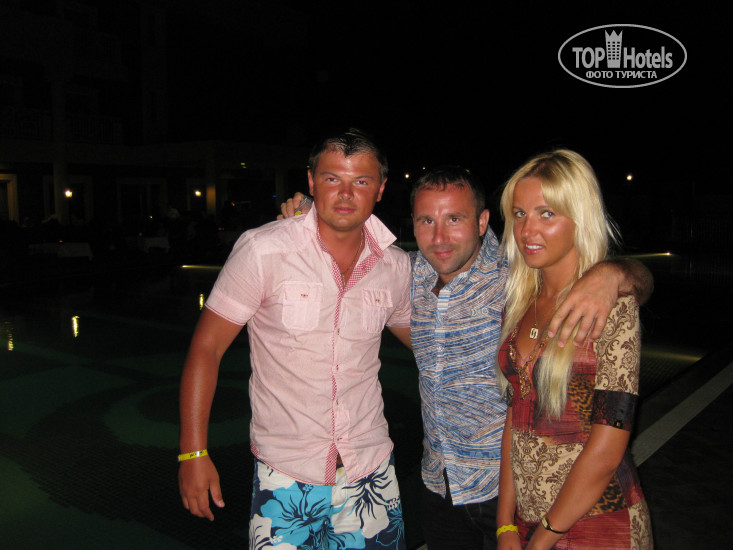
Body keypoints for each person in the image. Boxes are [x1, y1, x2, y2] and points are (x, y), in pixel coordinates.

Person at [284, 164, 651, 549]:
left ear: (482, 221)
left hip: (504, 489)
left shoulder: (516, 275)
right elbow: (353, 247)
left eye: (454, 219)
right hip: (439, 484)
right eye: (427, 221)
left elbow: (630, 283)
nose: (439, 237)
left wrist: (615, 272)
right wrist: (311, 211)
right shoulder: (409, 274)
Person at [178, 128, 412, 550]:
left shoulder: (394, 266)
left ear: (380, 189)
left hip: (371, 472)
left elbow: (429, 344)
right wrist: (193, 453)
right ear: (310, 181)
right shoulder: (263, 250)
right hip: (286, 475)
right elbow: (206, 348)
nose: (345, 194)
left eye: (361, 181)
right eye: (332, 178)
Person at [495, 150, 653, 549]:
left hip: (598, 523)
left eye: (546, 213)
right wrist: (505, 524)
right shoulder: (520, 303)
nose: (527, 230)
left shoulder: (611, 306)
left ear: (579, 218)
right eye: (519, 214)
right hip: (528, 519)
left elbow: (608, 449)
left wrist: (541, 540)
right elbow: (515, 418)